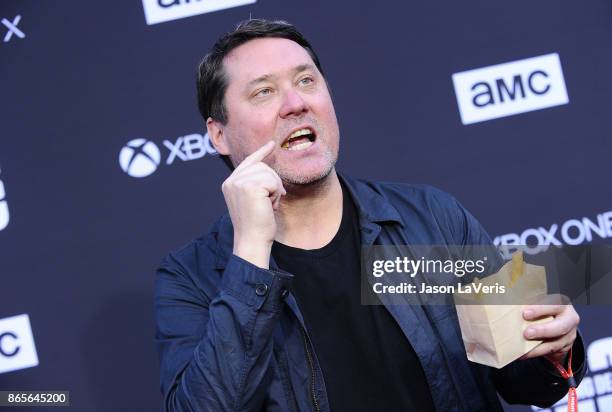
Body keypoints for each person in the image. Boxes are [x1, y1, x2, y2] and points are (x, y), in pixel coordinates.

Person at [154, 19, 585, 412]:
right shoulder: (190, 279)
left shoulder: (432, 217)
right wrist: (249, 256)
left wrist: (554, 350)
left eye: (306, 80)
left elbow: (527, 382)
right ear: (218, 134)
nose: (294, 103)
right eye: (264, 91)